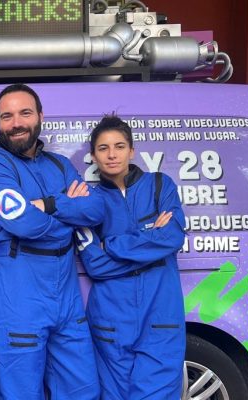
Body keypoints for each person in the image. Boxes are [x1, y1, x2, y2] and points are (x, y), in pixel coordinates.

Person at [0, 83, 103, 399]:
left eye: (25, 113)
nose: (16, 123)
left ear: (40, 116)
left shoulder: (60, 164)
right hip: (19, 299)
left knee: (84, 390)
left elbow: (96, 209)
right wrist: (69, 216)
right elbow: (22, 222)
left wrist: (47, 204)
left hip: (67, 297)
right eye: (7, 116)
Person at [75, 114, 186, 399]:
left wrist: (110, 244)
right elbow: (95, 265)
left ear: (132, 151)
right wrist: (152, 244)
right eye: (103, 148)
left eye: (119, 146)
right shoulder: (89, 202)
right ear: (93, 156)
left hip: (160, 315)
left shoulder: (160, 186)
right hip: (111, 320)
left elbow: (172, 237)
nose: (112, 155)